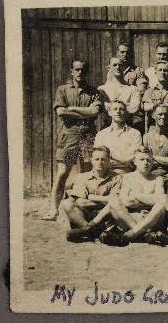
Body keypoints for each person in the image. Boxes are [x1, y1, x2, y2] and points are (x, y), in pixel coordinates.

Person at [99, 146, 168, 247]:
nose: (146, 163)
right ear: (135, 161)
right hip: (132, 218)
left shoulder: (158, 179)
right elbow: (125, 201)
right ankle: (144, 235)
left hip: (152, 218)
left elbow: (159, 199)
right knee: (114, 202)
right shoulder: (127, 177)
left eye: (149, 160)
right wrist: (148, 200)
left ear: (153, 161)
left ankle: (128, 236)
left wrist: (135, 196)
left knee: (163, 199)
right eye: (142, 159)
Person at [42, 59, 104, 221]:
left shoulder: (94, 92)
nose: (79, 72)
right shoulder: (63, 90)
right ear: (71, 71)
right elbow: (61, 112)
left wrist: (74, 109)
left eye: (83, 70)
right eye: (76, 69)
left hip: (88, 136)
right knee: (63, 172)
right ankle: (53, 210)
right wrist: (84, 113)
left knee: (88, 172)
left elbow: (94, 112)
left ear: (87, 72)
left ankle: (85, 211)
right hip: (69, 135)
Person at [60, 146, 121, 242]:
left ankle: (87, 232)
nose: (100, 162)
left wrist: (92, 197)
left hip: (106, 215)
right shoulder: (82, 177)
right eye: (97, 159)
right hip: (85, 215)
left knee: (116, 207)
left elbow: (115, 200)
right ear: (92, 160)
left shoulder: (116, 178)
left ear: (109, 161)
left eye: (103, 159)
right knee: (66, 204)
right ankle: (93, 232)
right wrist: (107, 201)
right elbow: (81, 203)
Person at [94, 100, 143, 174]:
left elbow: (134, 157)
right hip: (104, 174)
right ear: (109, 113)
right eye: (115, 109)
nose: (118, 112)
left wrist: (110, 155)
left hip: (126, 174)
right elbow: (97, 157)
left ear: (126, 113)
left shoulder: (135, 134)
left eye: (121, 109)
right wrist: (123, 162)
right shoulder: (101, 134)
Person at [143, 104, 168, 179]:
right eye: (160, 114)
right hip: (151, 175)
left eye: (166, 115)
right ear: (153, 116)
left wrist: (153, 157)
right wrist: (166, 160)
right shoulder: (146, 137)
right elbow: (145, 159)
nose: (163, 117)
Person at [99, 57, 142, 124]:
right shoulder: (102, 89)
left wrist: (113, 105)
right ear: (109, 67)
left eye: (120, 65)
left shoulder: (133, 89)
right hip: (108, 126)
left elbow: (134, 108)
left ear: (124, 68)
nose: (118, 67)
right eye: (115, 65)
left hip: (128, 126)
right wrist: (126, 105)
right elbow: (103, 107)